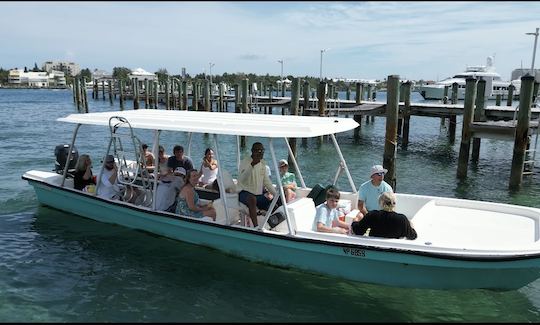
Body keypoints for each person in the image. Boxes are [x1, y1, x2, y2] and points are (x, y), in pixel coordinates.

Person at [237, 142, 277, 227]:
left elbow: (267, 182)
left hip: (258, 195)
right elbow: (241, 179)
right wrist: (252, 165)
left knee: (276, 202)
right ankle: (256, 227)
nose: (260, 152)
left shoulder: (263, 164)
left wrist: (276, 195)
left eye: (262, 150)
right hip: (244, 193)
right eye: (258, 150)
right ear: (252, 151)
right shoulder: (245, 162)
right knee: (252, 199)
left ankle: (271, 224)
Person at [351, 192, 417, 240]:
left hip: (374, 247)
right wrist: (410, 225)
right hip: (393, 250)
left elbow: (358, 231)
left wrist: (355, 221)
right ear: (394, 203)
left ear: (381, 203)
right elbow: (413, 236)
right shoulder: (402, 219)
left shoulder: (372, 215)